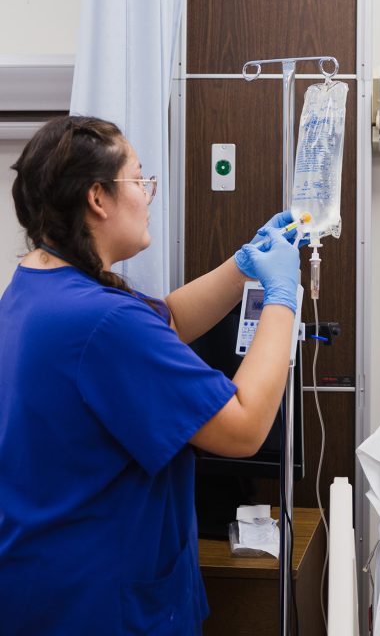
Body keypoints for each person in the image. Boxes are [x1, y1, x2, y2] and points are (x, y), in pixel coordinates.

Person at [0, 115, 301, 636]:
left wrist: (242, 266)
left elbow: (169, 321)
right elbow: (244, 427)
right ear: (98, 197)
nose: (148, 194)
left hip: (41, 581)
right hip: (100, 606)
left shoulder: (35, 288)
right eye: (139, 179)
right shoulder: (104, 321)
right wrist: (281, 299)